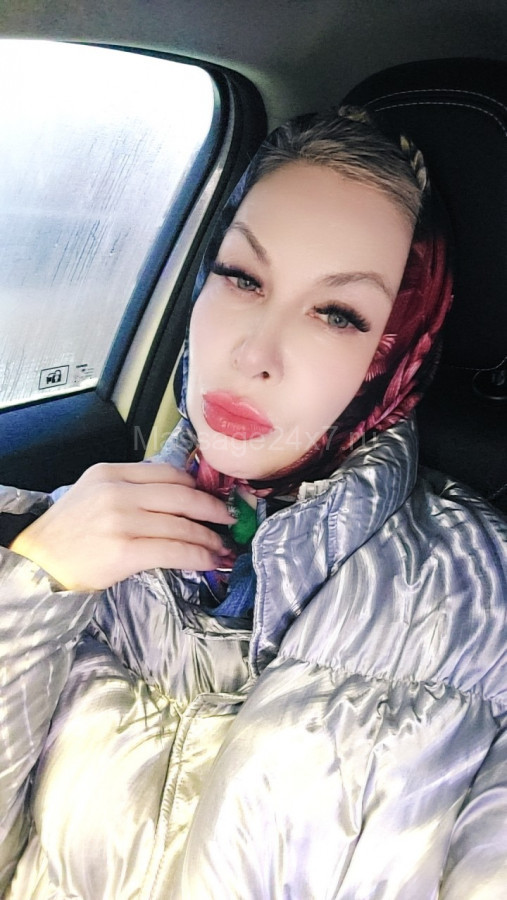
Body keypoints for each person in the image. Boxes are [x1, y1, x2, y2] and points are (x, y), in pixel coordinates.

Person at [0, 107, 506, 899]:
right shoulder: (66, 537)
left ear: (396, 349)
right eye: (242, 277)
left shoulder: (487, 605)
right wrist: (31, 592)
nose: (252, 353)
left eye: (336, 314)